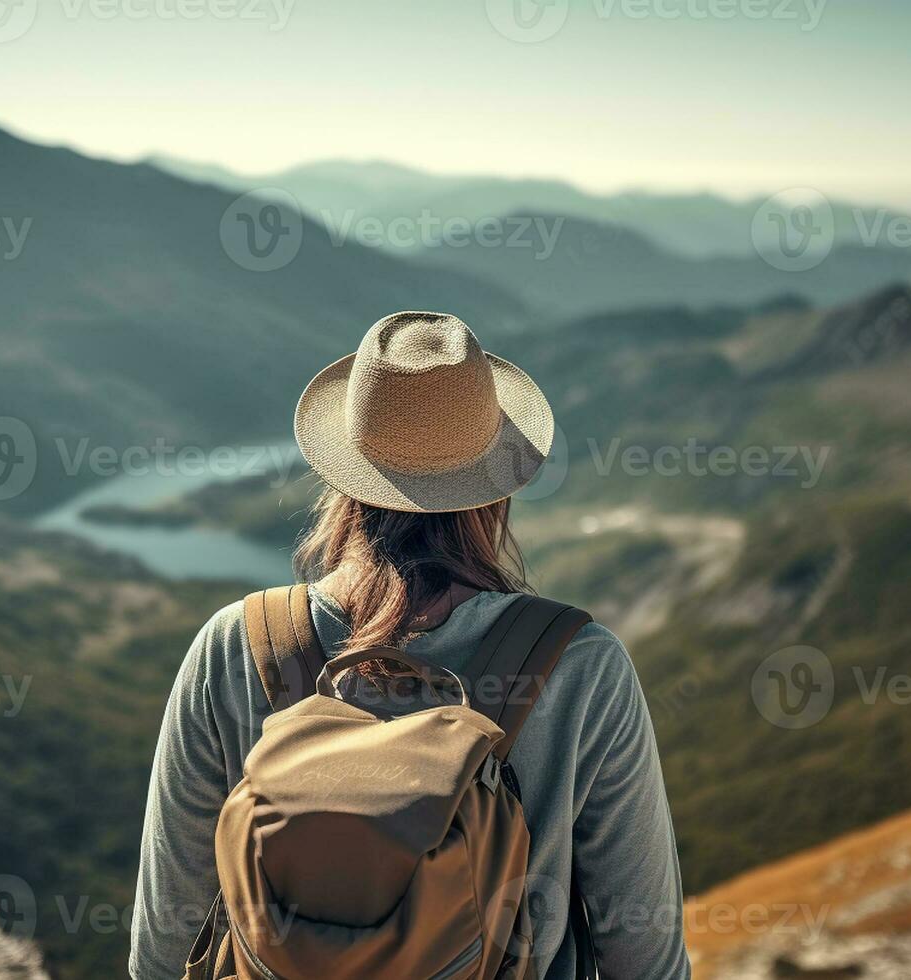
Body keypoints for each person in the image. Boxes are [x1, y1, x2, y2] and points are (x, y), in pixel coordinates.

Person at [131, 311, 691, 979]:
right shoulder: (580, 665)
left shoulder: (234, 648)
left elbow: (165, 945)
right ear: (497, 491)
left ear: (343, 474)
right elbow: (645, 958)